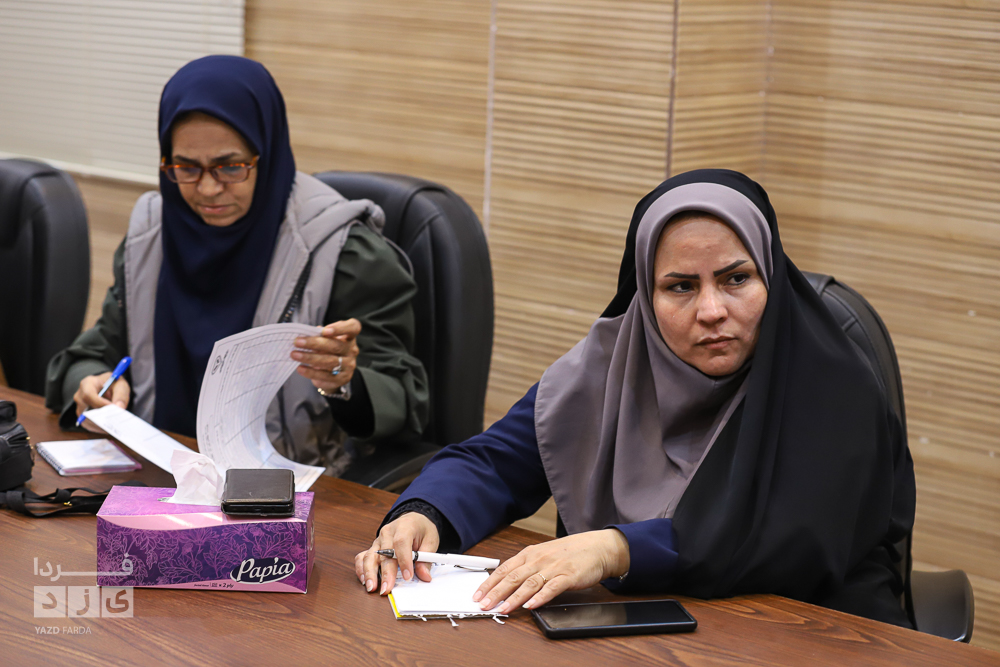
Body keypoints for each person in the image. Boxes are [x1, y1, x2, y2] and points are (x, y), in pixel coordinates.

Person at [356, 169, 915, 628]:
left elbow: (777, 538)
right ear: (646, 297)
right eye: (681, 286)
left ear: (770, 276)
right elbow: (493, 462)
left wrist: (613, 549)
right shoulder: (611, 367)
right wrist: (425, 511)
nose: (712, 310)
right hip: (635, 634)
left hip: (811, 632)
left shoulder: (835, 388)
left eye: (736, 279)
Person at [46, 56, 428, 475]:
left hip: (289, 489)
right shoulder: (151, 237)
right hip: (163, 478)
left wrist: (343, 381)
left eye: (230, 166)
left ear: (267, 153)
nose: (209, 188)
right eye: (187, 167)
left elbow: (406, 400)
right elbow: (92, 353)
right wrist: (91, 383)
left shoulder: (342, 250)